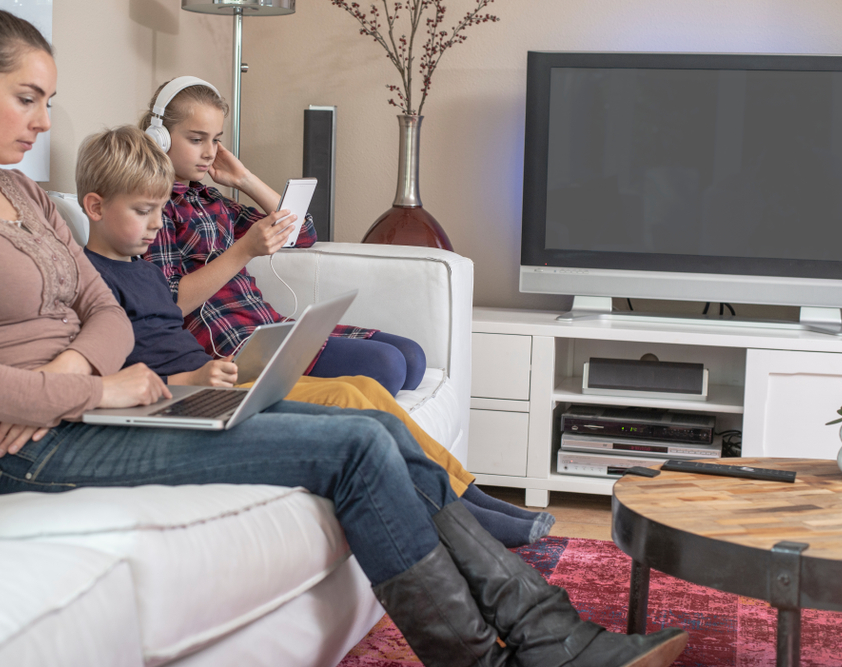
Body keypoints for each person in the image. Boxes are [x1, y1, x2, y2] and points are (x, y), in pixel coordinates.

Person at [0, 9, 687, 666]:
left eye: (48, 100)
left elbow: (111, 311)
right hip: (27, 449)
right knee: (356, 446)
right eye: (28, 99)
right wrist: (89, 387)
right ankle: (513, 651)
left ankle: (552, 637)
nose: (43, 120)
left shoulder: (22, 192)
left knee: (375, 427)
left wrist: (74, 370)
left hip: (98, 406)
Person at [76, 124, 555, 548]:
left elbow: (300, 232)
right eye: (144, 211)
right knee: (352, 398)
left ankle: (468, 495)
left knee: (364, 389)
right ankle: (461, 516)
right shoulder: (89, 279)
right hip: (191, 396)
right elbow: (114, 373)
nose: (156, 223)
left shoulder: (142, 266)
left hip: (215, 384)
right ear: (95, 207)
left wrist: (206, 373)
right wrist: (190, 378)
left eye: (160, 210)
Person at [140, 77, 426, 397]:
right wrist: (245, 250)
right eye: (196, 139)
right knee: (389, 364)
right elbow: (169, 304)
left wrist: (244, 179)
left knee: (413, 358)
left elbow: (302, 232)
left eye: (216, 140)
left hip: (268, 327)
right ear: (159, 139)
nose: (209, 153)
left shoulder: (211, 200)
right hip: (233, 344)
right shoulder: (154, 208)